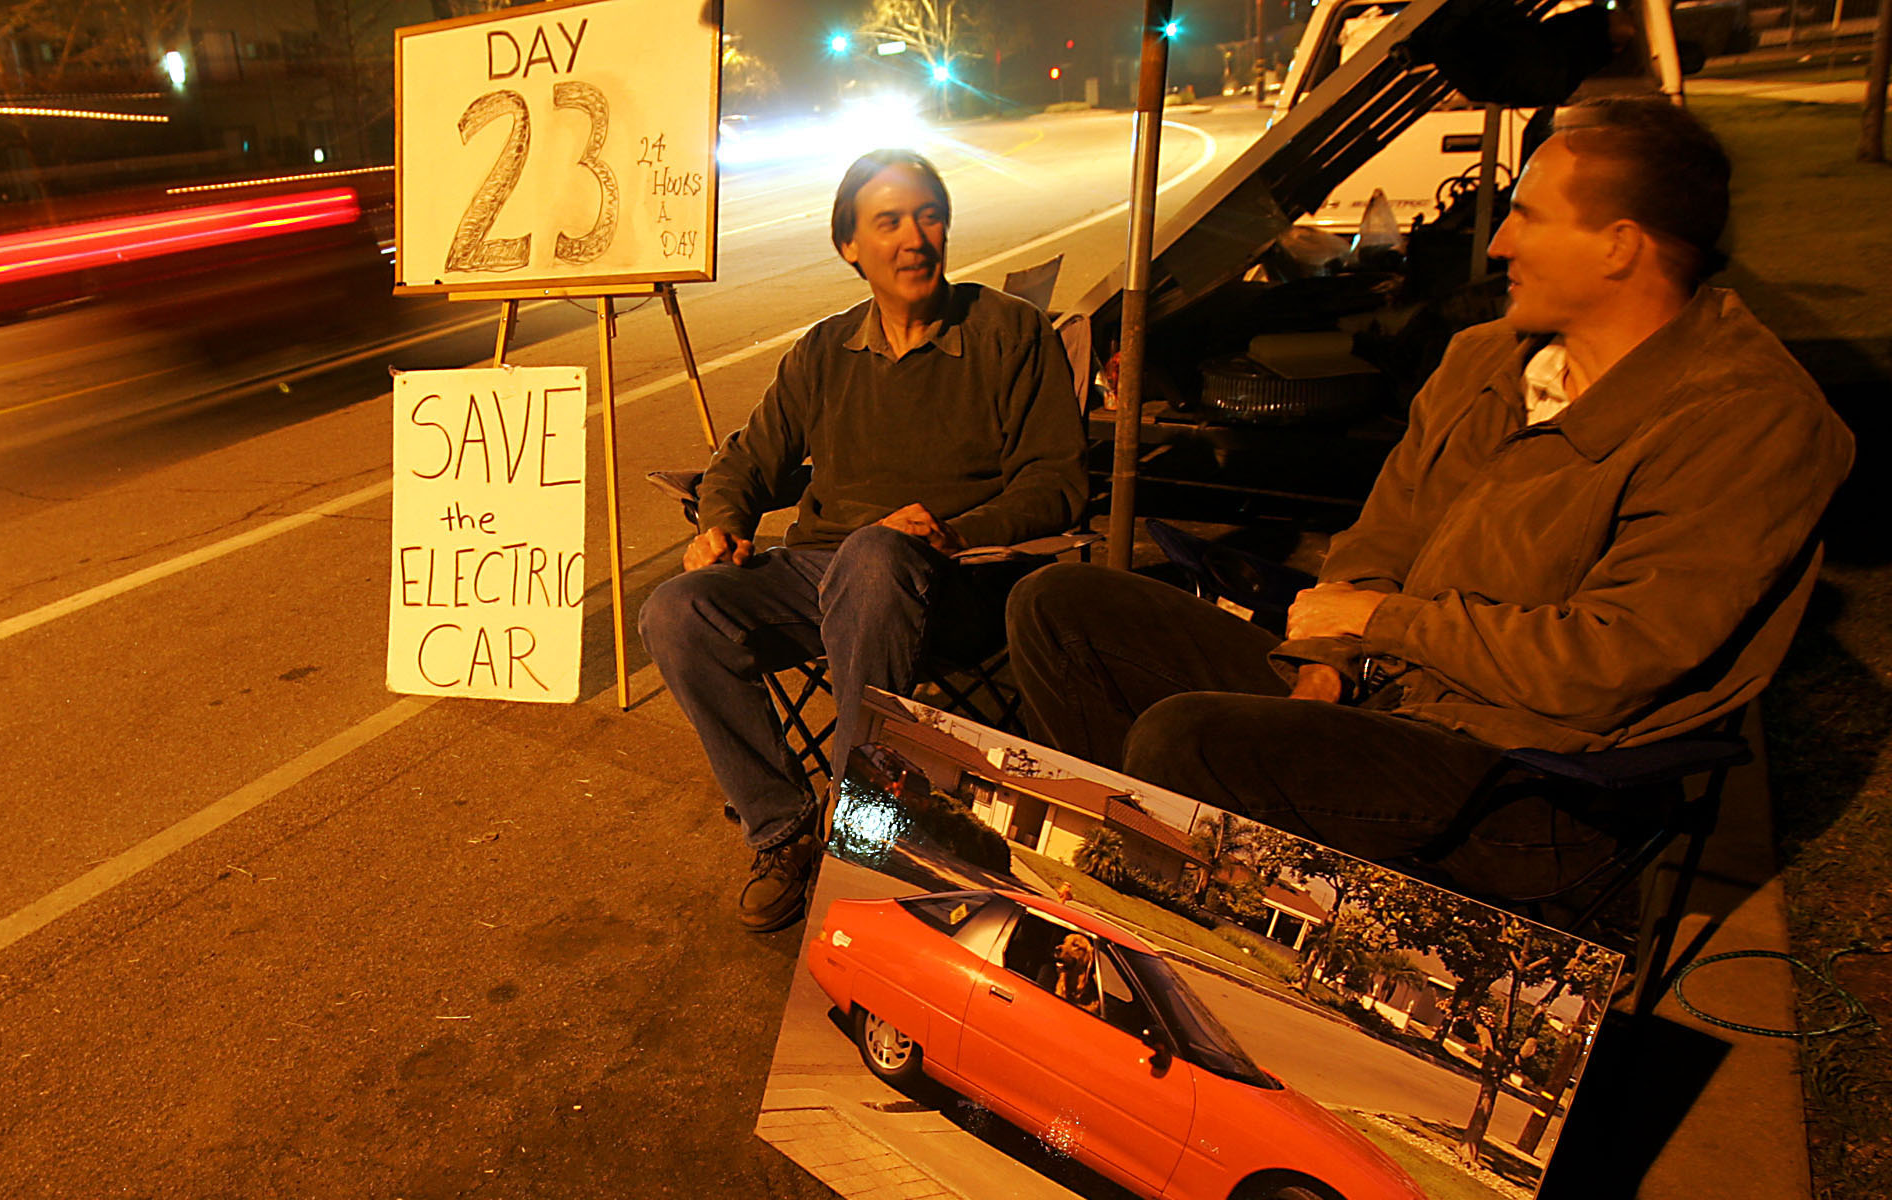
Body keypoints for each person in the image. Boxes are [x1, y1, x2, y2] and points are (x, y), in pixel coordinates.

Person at [1005, 97, 1852, 903]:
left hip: (1529, 780)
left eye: (1529, 216)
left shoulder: (1749, 417)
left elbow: (1608, 664)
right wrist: (1325, 665)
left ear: (1619, 246)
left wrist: (1381, 625)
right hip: (1386, 700)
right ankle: (1134, 881)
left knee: (1185, 740)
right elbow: (1381, 544)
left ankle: (1165, 913)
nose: (1499, 244)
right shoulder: (1486, 360)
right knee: (1059, 607)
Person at [640, 149, 1089, 932]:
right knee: (677, 611)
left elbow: (1057, 485)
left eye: (929, 216)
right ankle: (783, 831)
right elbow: (747, 459)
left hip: (953, 579)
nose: (915, 238)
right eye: (889, 222)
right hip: (822, 575)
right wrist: (722, 523)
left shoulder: (1009, 334)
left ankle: (860, 835)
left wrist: (954, 529)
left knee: (876, 556)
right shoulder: (824, 351)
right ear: (851, 246)